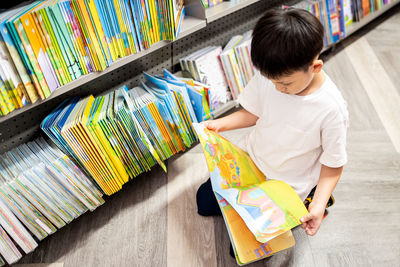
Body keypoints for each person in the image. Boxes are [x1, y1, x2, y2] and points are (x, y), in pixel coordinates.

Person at [196, 8, 349, 238]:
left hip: (287, 185)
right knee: (203, 201)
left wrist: (318, 205)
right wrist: (219, 124)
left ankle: (309, 198)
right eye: (272, 80)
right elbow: (253, 112)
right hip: (254, 161)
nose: (278, 88)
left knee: (245, 243)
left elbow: (333, 163)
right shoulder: (273, 74)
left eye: (285, 84)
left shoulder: (331, 109)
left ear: (315, 66)